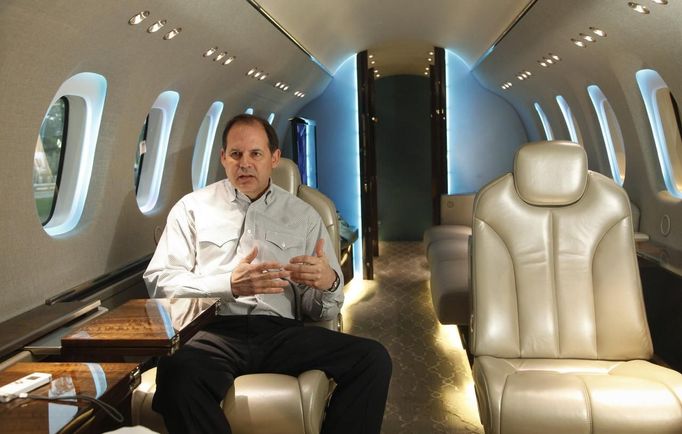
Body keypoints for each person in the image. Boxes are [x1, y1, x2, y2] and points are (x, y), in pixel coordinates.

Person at [144, 114, 392, 434]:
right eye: (236, 154)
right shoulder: (191, 210)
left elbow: (323, 309)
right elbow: (159, 284)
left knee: (373, 359)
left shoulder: (303, 216)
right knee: (175, 376)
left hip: (280, 333)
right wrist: (228, 284)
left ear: (274, 158)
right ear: (223, 158)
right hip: (210, 330)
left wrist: (327, 282)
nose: (244, 163)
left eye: (255, 154)